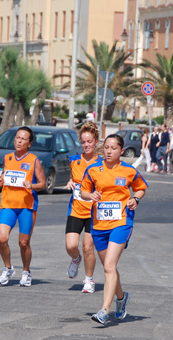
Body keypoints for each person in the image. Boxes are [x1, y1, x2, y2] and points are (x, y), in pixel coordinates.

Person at [80, 134, 149, 325]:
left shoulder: (128, 170)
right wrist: (90, 195)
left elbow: (141, 188)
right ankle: (121, 297)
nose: (109, 151)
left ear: (121, 150)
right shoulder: (93, 169)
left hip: (121, 222)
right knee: (109, 267)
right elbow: (84, 191)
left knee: (109, 265)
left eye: (113, 148)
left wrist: (135, 199)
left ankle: (104, 310)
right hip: (99, 224)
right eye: (107, 148)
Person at [0, 126, 46, 287]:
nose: (19, 141)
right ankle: (8, 268)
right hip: (8, 204)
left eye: (23, 139)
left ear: (29, 143)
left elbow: (43, 183)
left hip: (26, 206)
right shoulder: (7, 158)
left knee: (23, 243)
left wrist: (32, 185)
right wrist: (0, 182)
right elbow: (4, 176)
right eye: (17, 137)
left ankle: (26, 271)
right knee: (1, 238)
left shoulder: (34, 160)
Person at [65, 121, 103, 293]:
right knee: (71, 246)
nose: (86, 145)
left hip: (94, 212)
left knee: (88, 247)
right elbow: (73, 179)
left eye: (90, 141)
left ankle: (89, 280)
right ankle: (75, 259)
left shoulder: (102, 163)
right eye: (84, 142)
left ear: (96, 141)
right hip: (76, 209)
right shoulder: (75, 161)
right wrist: (70, 182)